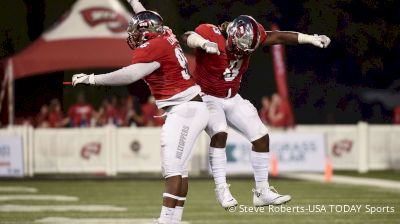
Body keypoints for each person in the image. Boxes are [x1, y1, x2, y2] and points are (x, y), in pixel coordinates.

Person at [71, 10, 208, 224]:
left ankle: (165, 221)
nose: (132, 36)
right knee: (179, 170)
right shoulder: (165, 35)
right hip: (190, 107)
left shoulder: (153, 47)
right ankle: (173, 220)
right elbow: (147, 14)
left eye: (135, 31)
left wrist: (92, 78)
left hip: (185, 109)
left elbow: (130, 75)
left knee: (172, 168)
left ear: (146, 33)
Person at [182, 15, 331, 209]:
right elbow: (186, 36)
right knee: (220, 131)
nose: (240, 53)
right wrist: (202, 43)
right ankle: (221, 189)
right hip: (207, 95)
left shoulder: (252, 36)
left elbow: (278, 37)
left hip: (232, 96)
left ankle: (262, 192)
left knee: (261, 136)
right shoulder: (211, 34)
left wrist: (310, 38)